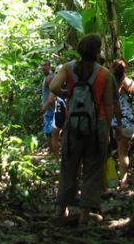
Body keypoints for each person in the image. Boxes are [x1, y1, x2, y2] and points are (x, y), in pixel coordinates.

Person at [50, 34, 118, 225]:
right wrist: (110, 130)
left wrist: (67, 93)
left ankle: (61, 211)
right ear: (97, 53)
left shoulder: (68, 68)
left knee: (68, 167)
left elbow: (54, 86)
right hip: (97, 127)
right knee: (92, 170)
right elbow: (109, 105)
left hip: (73, 126)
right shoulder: (105, 74)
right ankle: (84, 216)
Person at [110, 59, 134, 190]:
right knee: (123, 153)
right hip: (127, 123)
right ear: (125, 70)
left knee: (105, 153)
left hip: (111, 123)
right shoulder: (132, 84)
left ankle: (106, 183)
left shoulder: (108, 84)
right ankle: (123, 183)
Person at [39, 59, 55, 152]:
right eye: (42, 65)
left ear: (50, 66)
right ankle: (52, 151)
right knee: (50, 131)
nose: (43, 67)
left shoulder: (49, 78)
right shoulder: (48, 77)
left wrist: (45, 107)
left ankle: (53, 153)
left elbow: (53, 93)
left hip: (50, 109)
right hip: (49, 109)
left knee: (49, 132)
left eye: (45, 65)